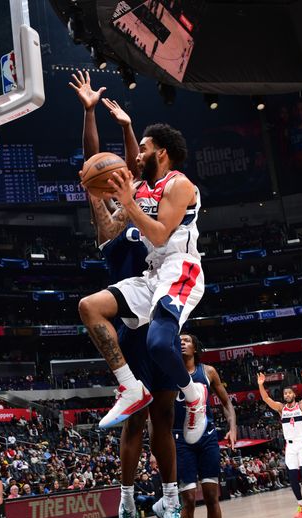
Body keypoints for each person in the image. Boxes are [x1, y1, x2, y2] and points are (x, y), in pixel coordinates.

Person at [70, 71, 182, 518]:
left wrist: (127, 127)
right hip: (127, 318)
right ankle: (126, 504)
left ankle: (171, 500)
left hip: (158, 308)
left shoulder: (141, 198)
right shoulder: (105, 216)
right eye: (108, 183)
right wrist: (89, 111)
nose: (116, 181)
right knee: (135, 423)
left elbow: (132, 164)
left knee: (165, 415)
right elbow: (93, 162)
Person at [77, 118, 207, 439]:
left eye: (144, 150)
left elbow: (161, 235)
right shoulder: (139, 188)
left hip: (181, 269)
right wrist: (96, 193)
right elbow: (109, 228)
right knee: (89, 307)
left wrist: (129, 201)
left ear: (160, 153)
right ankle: (130, 387)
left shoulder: (180, 185)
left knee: (159, 344)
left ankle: (193, 396)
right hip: (152, 274)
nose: (137, 156)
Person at [171, 334, 236, 518]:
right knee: (188, 499)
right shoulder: (169, 374)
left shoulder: (208, 371)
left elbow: (226, 403)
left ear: (196, 348)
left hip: (207, 438)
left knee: (211, 496)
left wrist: (232, 428)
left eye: (187, 340)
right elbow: (155, 413)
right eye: (179, 340)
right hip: (180, 440)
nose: (182, 342)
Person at [257, 373, 302, 518]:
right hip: (290, 447)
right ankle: (301, 506)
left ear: (294, 394)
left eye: (289, 392)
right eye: (285, 393)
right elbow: (266, 398)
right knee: (292, 478)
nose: (287, 394)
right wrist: (260, 384)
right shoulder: (281, 408)